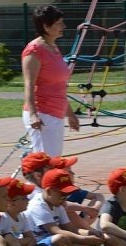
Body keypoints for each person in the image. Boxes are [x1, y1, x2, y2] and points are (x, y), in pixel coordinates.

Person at [22, 4, 79, 157]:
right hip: (43, 115)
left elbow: (58, 86)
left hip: (56, 114)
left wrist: (70, 113)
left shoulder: (53, 47)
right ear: (46, 27)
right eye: (59, 23)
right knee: (45, 164)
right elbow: (29, 84)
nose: (64, 26)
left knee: (52, 161)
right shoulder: (34, 51)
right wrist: (34, 114)